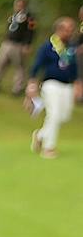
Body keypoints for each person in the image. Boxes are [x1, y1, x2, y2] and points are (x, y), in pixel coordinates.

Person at [27, 17, 80, 159]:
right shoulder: (47, 46)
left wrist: (77, 83)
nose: (69, 33)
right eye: (67, 30)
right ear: (59, 30)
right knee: (54, 114)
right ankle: (48, 148)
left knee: (64, 116)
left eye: (71, 30)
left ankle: (40, 135)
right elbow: (37, 65)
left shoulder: (71, 47)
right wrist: (32, 82)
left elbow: (74, 67)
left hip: (67, 85)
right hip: (51, 84)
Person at [0, 0, 38, 95]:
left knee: (19, 67)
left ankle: (18, 88)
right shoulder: (13, 16)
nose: (18, 7)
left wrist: (27, 44)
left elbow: (31, 31)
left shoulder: (29, 17)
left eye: (20, 5)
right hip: (7, 43)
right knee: (0, 64)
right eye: (17, 5)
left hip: (18, 44)